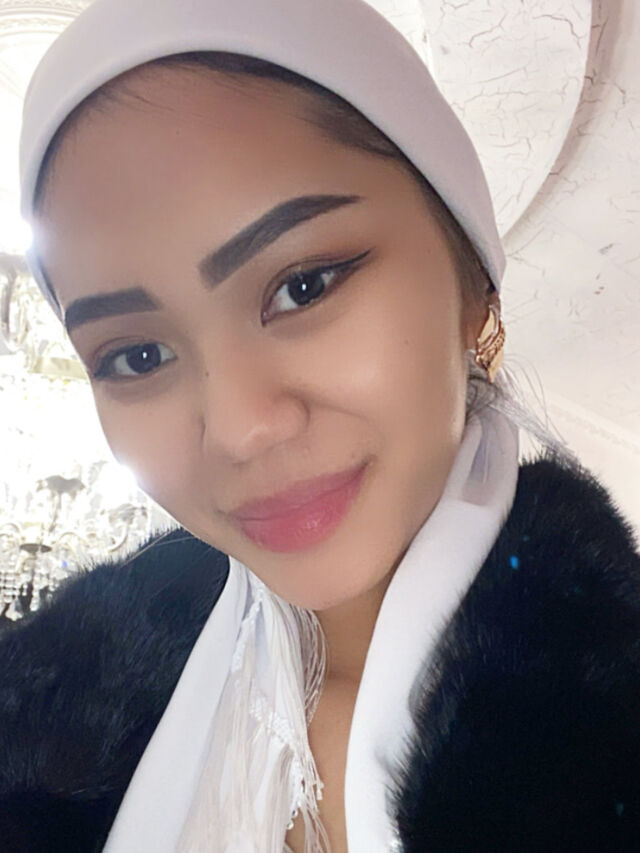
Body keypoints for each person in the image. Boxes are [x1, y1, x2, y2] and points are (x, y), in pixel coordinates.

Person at [2, 0, 639, 850]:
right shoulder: (46, 728)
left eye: (303, 286)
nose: (240, 429)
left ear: (473, 290)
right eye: (137, 356)